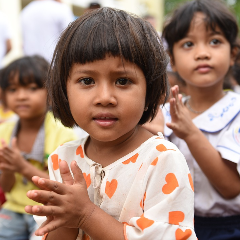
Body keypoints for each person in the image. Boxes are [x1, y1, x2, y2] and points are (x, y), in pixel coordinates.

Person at [25, 7, 197, 240]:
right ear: (64, 90)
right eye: (87, 80)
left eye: (122, 80)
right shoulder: (63, 160)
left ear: (150, 91)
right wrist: (65, 218)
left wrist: (86, 215)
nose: (105, 97)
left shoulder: (161, 159)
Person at [161, 0, 240, 239]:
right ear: (172, 60)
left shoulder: (236, 111)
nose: (202, 53)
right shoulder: (163, 114)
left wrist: (190, 132)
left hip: (227, 229)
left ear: (233, 54)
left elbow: (230, 188)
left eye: (215, 41)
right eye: (188, 44)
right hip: (172, 225)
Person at [0, 55, 76, 240]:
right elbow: (6, 187)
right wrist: (9, 169)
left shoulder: (64, 134)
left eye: (32, 88)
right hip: (13, 209)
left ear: (51, 93)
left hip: (48, 212)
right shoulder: (4, 131)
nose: (21, 96)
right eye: (12, 89)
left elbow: (59, 189)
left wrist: (21, 166)